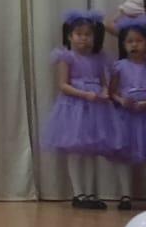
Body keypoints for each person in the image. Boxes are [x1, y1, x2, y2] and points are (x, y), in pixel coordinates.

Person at [41, 11, 122, 209]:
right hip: (74, 109)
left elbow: (103, 82)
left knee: (91, 153)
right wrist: (85, 94)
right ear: (70, 36)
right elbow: (63, 85)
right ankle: (78, 193)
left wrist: (104, 92)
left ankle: (90, 193)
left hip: (96, 110)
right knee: (76, 152)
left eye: (88, 34)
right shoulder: (66, 57)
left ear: (95, 37)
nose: (83, 38)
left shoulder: (99, 58)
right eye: (78, 34)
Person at [110, 18, 146, 206]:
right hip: (126, 117)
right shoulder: (120, 66)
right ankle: (125, 195)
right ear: (123, 44)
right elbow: (112, 92)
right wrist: (121, 100)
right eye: (130, 41)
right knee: (124, 156)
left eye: (139, 40)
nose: (134, 45)